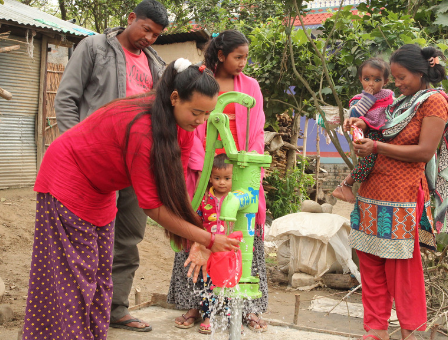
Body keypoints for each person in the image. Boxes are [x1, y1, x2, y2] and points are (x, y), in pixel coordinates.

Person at [22, 59, 240, 340]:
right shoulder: (142, 129)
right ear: (175, 98)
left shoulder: (180, 127)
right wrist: (207, 238)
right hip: (68, 180)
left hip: (101, 189)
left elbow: (176, 187)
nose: (201, 121)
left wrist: (197, 235)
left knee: (100, 277)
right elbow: (152, 206)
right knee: (73, 280)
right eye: (196, 112)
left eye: (207, 114)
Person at [54, 0, 168, 332]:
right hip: (95, 165)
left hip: (136, 165)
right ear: (131, 18)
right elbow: (67, 98)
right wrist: (75, 151)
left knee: (129, 236)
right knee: (88, 239)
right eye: (146, 29)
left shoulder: (154, 64)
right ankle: (81, 309)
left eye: (156, 35)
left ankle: (116, 308)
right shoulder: (94, 47)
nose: (149, 38)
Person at [344, 44, 448, 340]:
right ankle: (376, 330)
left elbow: (423, 152)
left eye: (401, 77)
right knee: (370, 264)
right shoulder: (398, 104)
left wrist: (377, 145)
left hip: (403, 196)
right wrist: (360, 127)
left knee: (403, 271)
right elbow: (378, 132)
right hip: (371, 193)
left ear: (421, 74)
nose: (397, 83)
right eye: (394, 78)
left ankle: (411, 331)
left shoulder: (434, 101)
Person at [168, 29, 269, 333]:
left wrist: (248, 169)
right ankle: (196, 306)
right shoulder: (200, 82)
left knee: (246, 231)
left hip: (240, 169)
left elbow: (258, 129)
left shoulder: (251, 86)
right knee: (198, 226)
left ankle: (247, 309)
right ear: (221, 55)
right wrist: (201, 166)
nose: (243, 62)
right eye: (238, 56)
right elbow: (191, 128)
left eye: (246, 57)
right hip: (205, 168)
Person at [332, 57, 394, 203]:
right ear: (360, 79)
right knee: (367, 162)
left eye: (377, 80)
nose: (371, 83)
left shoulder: (389, 97)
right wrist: (368, 97)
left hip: (386, 135)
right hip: (368, 137)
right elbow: (355, 115)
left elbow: (392, 115)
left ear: (386, 81)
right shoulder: (359, 99)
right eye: (367, 79)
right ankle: (345, 184)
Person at [190, 153, 234, 335]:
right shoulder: (204, 198)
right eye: (217, 178)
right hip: (208, 250)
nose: (222, 182)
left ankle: (232, 319)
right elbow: (197, 221)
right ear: (210, 177)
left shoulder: (235, 198)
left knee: (230, 286)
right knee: (206, 285)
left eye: (227, 178)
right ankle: (207, 316)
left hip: (228, 251)